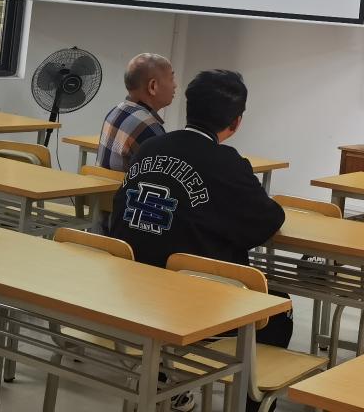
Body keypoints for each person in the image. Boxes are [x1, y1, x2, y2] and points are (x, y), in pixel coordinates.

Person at [108, 69, 291, 347]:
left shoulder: (149, 148)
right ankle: (241, 378)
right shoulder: (227, 163)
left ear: (188, 108)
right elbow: (267, 221)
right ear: (236, 121)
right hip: (191, 306)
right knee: (279, 308)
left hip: (128, 291)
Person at [94, 53, 177, 171]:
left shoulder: (115, 111)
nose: (175, 85)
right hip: (124, 184)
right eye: (171, 79)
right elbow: (163, 174)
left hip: (102, 183)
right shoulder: (148, 127)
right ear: (152, 86)